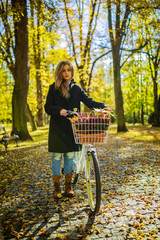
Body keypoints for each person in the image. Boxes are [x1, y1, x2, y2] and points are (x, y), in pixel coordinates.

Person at [44, 60, 112, 199]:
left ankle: (68, 186)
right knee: (57, 156)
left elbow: (89, 101)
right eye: (63, 70)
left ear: (72, 71)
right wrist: (59, 110)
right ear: (59, 72)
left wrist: (102, 106)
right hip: (57, 127)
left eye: (69, 70)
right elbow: (47, 107)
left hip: (72, 127)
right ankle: (57, 188)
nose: (66, 73)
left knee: (69, 155)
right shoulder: (53, 88)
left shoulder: (77, 89)